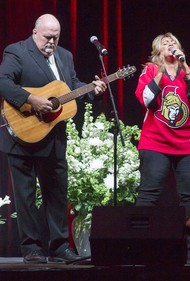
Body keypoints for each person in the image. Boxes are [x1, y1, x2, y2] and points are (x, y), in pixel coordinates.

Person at [0, 14, 107, 264]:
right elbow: (2, 81)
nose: (52, 41)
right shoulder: (17, 51)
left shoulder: (65, 56)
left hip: (54, 137)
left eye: (56, 36)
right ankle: (31, 249)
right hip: (23, 133)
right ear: (35, 32)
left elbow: (70, 86)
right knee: (25, 197)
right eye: (47, 36)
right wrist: (30, 99)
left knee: (57, 194)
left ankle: (60, 247)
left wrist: (93, 91)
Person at [134, 32, 190, 264]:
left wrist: (184, 67)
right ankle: (139, 246)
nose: (170, 46)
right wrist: (158, 75)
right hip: (156, 141)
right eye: (165, 44)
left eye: (174, 43)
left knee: (189, 199)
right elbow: (145, 99)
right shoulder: (149, 71)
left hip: (189, 143)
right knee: (149, 194)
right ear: (158, 51)